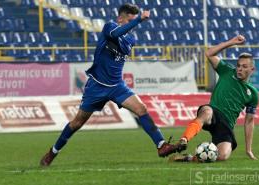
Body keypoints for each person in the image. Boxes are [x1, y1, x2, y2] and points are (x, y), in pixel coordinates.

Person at [40, 3, 176, 166]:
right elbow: (115, 34)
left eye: (134, 21)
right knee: (77, 123)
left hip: (117, 86)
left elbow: (122, 39)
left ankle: (161, 145)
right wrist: (139, 19)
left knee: (142, 109)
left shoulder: (130, 39)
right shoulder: (109, 27)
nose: (132, 25)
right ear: (120, 18)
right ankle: (53, 152)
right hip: (96, 85)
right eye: (129, 20)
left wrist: (134, 23)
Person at [166, 35, 259, 161]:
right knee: (207, 112)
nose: (239, 69)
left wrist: (249, 150)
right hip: (214, 111)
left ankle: (186, 159)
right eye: (238, 65)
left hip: (226, 124)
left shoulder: (253, 93)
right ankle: (184, 140)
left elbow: (249, 122)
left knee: (222, 156)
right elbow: (209, 53)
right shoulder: (227, 71)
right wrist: (231, 42)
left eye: (244, 66)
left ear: (252, 69)